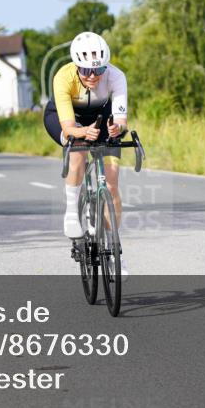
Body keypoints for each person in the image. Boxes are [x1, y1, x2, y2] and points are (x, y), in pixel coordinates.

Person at [43, 32, 129, 277]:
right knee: (79, 147)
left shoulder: (116, 76)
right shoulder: (63, 76)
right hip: (70, 119)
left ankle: (113, 248)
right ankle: (72, 210)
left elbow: (122, 120)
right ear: (76, 66)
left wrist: (117, 128)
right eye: (86, 70)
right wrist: (80, 132)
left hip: (103, 117)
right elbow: (69, 126)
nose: (93, 76)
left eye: (99, 69)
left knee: (112, 183)